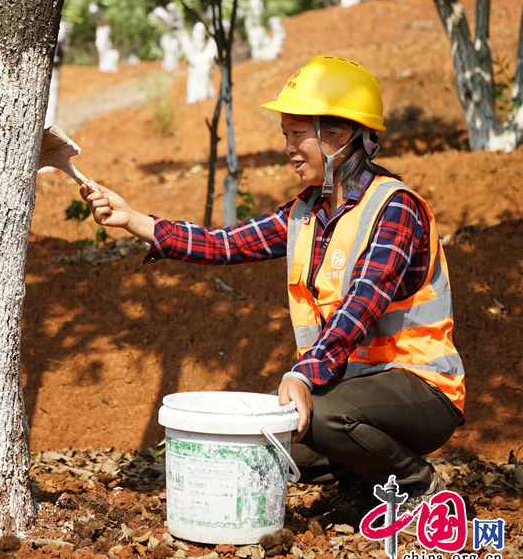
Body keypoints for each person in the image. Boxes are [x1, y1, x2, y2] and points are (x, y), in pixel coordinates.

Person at [80, 54, 465, 518]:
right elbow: (225, 243)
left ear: (341, 135)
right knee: (269, 441)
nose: (288, 148)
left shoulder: (394, 208)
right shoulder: (305, 212)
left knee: (323, 417)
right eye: (285, 135)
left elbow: (362, 304)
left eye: (297, 134)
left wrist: (302, 375)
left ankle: (418, 485)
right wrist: (132, 219)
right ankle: (366, 482)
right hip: (353, 388)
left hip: (423, 390)